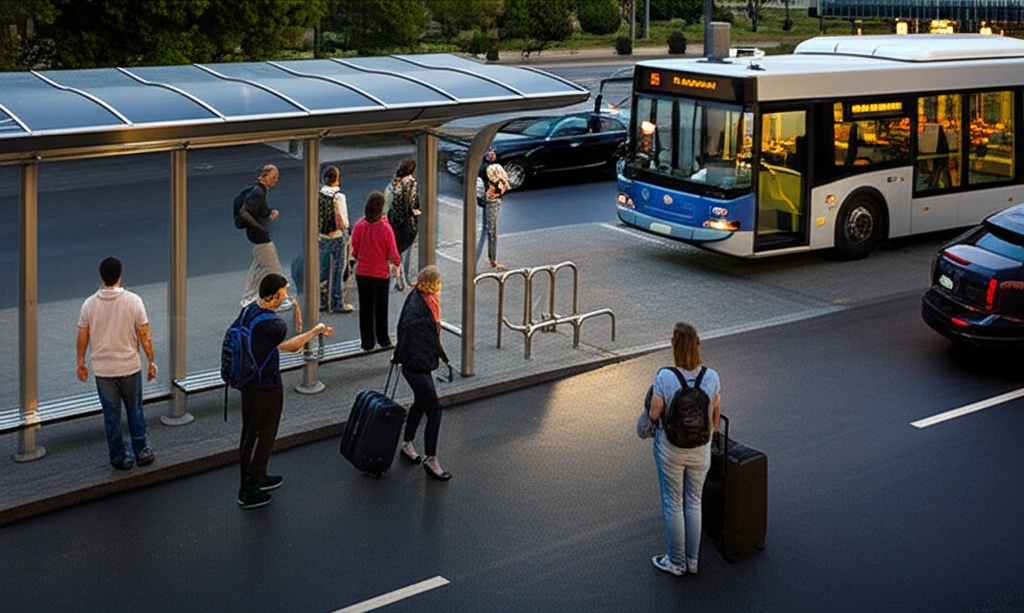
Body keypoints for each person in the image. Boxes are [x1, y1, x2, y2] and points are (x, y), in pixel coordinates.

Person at [236, 273, 334, 510]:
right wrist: (316, 330)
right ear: (272, 296)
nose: (286, 297)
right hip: (266, 385)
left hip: (247, 380)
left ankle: (259, 475)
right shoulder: (273, 324)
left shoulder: (249, 310)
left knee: (250, 431)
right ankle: (248, 488)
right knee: (265, 432)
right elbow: (291, 345)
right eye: (283, 293)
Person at [644, 322, 721, 576]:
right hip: (700, 451)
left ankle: (675, 562)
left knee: (673, 504)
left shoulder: (665, 376)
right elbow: (715, 419)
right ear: (697, 346)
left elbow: (654, 414)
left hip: (671, 451)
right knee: (694, 502)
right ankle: (692, 560)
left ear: (675, 347)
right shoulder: (711, 377)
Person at [76, 257, 157, 471]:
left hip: (104, 371)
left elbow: (82, 335)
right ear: (120, 275)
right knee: (135, 410)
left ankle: (119, 457)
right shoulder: (134, 301)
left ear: (102, 277)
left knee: (111, 415)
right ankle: (142, 450)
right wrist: (151, 361)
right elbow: (144, 335)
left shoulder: (89, 304)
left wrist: (80, 362)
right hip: (130, 366)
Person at [393, 265, 452, 481]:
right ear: (434, 285)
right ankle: (431, 459)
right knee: (434, 409)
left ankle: (407, 444)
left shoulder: (415, 296)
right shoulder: (425, 309)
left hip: (410, 363)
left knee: (420, 402)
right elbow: (427, 340)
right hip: (416, 366)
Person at [351, 191, 402, 352]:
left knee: (365, 309)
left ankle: (367, 342)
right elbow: (394, 253)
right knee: (381, 308)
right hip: (380, 274)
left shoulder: (359, 225)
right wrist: (397, 263)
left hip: (363, 273)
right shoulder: (386, 228)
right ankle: (383, 339)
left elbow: (354, 250)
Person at [238, 164, 294, 311]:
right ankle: (279, 298)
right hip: (259, 236)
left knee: (258, 266)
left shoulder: (258, 190)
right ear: (263, 176)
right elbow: (244, 212)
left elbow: (255, 211)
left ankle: (248, 298)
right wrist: (259, 226)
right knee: (272, 266)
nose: (276, 180)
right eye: (273, 177)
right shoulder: (258, 192)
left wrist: (269, 215)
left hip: (255, 235)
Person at [318, 165, 353, 313]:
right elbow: (343, 222)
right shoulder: (339, 196)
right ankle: (337, 301)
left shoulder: (318, 193)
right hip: (337, 236)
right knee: (339, 269)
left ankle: (323, 300)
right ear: (337, 179)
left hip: (322, 236)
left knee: (323, 269)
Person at [385, 159, 420, 289]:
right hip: (408, 223)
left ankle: (398, 281)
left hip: (393, 222)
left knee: (396, 251)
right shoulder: (411, 183)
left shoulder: (394, 183)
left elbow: (387, 204)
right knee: (406, 252)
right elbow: (413, 204)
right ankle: (405, 280)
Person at [475, 149, 510, 270]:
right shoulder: (486, 168)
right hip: (491, 200)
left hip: (491, 198)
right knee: (492, 230)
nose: (493, 153)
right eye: (490, 152)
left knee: (490, 229)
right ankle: (492, 260)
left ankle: (492, 259)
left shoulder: (489, 166)